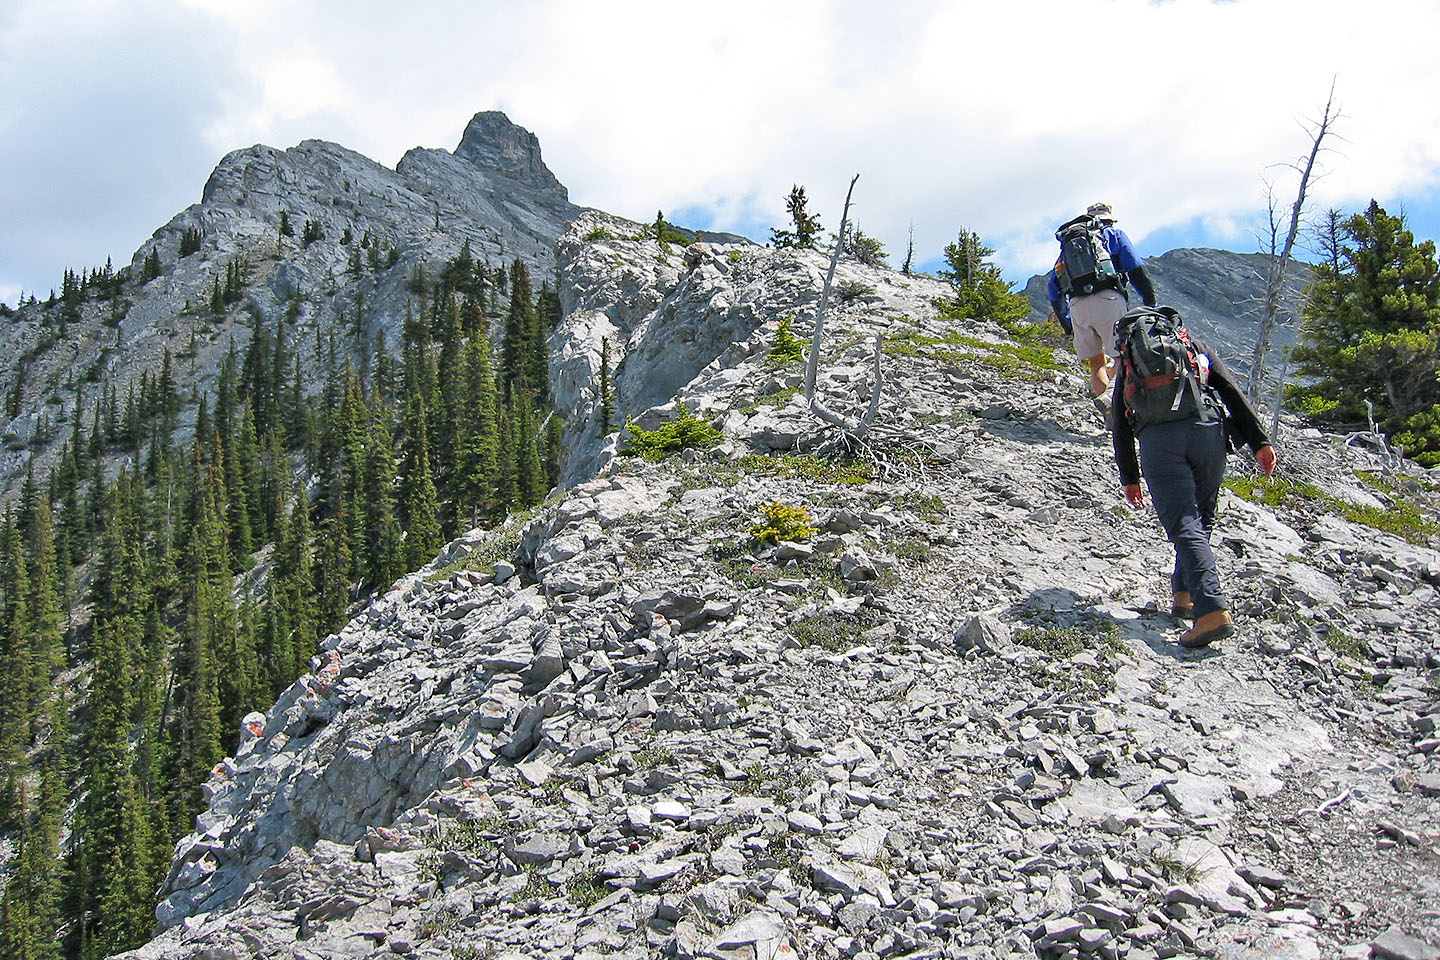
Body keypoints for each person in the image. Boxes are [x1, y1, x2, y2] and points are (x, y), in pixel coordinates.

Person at [1112, 322, 1277, 647]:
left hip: (1160, 441)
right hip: (1208, 434)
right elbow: (1231, 391)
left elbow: (1120, 419)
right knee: (1201, 519)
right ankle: (1184, 595)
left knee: (1184, 523)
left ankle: (1211, 610)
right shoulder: (1193, 348)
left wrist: (1130, 477)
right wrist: (1260, 442)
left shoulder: (1132, 362)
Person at [1048, 203, 1159, 414]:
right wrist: (1150, 302)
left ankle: (1107, 412)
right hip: (1108, 298)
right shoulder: (1113, 235)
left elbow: (1053, 288)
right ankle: (1117, 407)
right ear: (1109, 219)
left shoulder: (1069, 247)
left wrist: (1067, 324)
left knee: (1096, 363)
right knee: (1121, 356)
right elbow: (1135, 266)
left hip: (1078, 305)